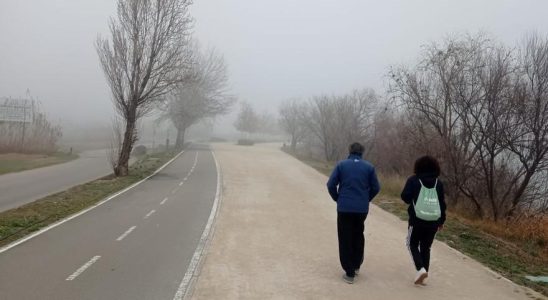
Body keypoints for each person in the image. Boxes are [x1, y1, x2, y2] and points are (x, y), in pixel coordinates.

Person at [326, 142, 380, 284]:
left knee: (345, 237)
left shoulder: (341, 165)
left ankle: (349, 273)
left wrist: (337, 198)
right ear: (362, 152)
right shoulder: (369, 167)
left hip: (344, 207)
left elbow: (331, 184)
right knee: (358, 235)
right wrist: (366, 199)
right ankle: (356, 265)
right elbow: (376, 187)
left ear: (349, 151)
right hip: (361, 209)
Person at [400, 155, 446, 285]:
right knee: (426, 247)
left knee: (412, 243)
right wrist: (442, 221)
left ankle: (420, 269)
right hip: (433, 221)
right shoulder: (439, 183)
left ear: (418, 166)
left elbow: (405, 197)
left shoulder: (413, 180)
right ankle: (424, 273)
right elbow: (442, 204)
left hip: (417, 220)